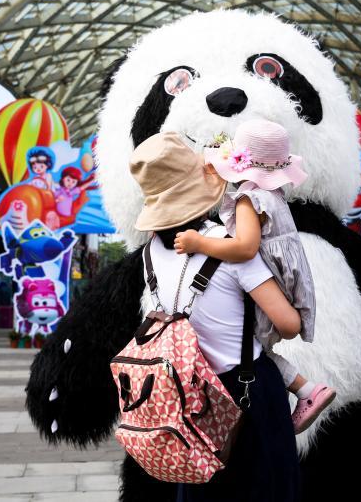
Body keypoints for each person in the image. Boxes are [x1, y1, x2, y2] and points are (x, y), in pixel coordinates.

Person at [130, 132, 300, 502]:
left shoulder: (151, 254)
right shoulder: (230, 246)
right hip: (248, 393)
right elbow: (288, 324)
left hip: (189, 400)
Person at [175, 119, 334, 433]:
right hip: (287, 277)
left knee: (250, 349)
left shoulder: (250, 199)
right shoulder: (274, 197)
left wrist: (200, 242)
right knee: (262, 347)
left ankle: (307, 390)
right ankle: (307, 390)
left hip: (270, 279)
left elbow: (246, 248)